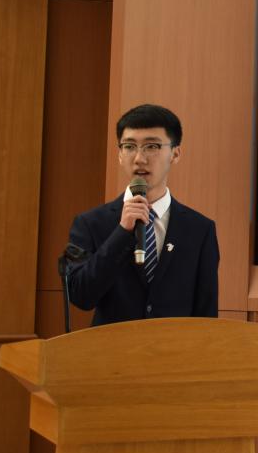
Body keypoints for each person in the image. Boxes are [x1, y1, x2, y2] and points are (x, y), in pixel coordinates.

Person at [67, 104, 219, 325]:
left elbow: (206, 314)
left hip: (175, 346)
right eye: (129, 146)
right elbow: (81, 296)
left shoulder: (199, 229)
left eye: (152, 146)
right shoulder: (90, 223)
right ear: (120, 155)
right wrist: (122, 233)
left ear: (175, 153)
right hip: (113, 346)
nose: (139, 158)